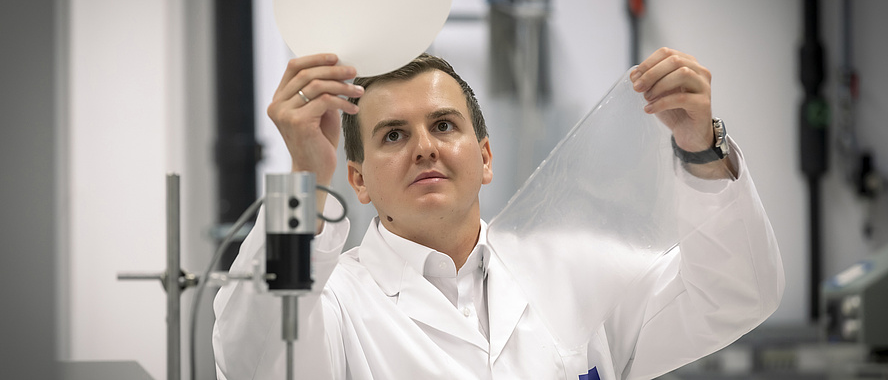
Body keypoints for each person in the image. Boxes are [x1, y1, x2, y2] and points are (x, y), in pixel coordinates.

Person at [213, 48, 784, 379]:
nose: (424, 147)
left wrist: (700, 148)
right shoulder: (336, 304)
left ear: (484, 157)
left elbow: (734, 294)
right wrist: (304, 179)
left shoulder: (576, 271)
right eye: (393, 135)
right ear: (357, 180)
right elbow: (256, 356)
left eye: (443, 125)